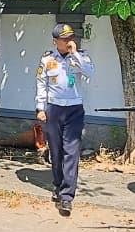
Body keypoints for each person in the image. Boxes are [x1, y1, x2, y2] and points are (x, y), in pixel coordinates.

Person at [34, 23, 94, 216]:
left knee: (71, 151)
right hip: (54, 109)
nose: (69, 41)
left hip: (74, 109)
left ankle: (67, 196)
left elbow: (90, 72)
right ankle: (58, 185)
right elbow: (41, 84)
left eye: (71, 37)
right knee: (56, 151)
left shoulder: (81, 56)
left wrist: (75, 54)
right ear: (55, 41)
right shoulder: (47, 59)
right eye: (64, 38)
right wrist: (40, 108)